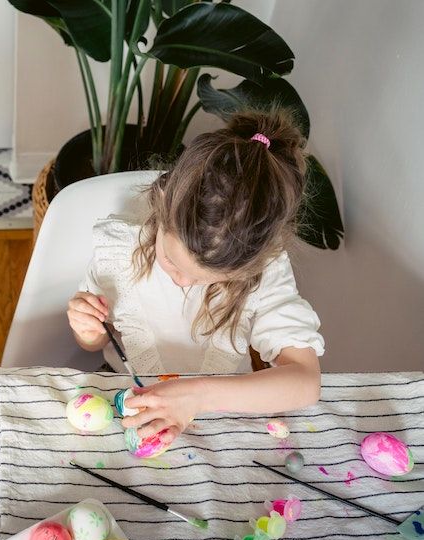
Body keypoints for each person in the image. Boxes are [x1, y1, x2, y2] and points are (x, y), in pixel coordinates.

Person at [67, 109, 324, 446]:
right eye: (172, 261)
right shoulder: (119, 248)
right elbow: (95, 342)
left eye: (205, 279)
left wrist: (197, 397)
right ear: (162, 201)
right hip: (125, 398)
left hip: (222, 413)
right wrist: (87, 329)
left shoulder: (267, 270)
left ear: (251, 265)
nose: (183, 282)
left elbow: (306, 382)